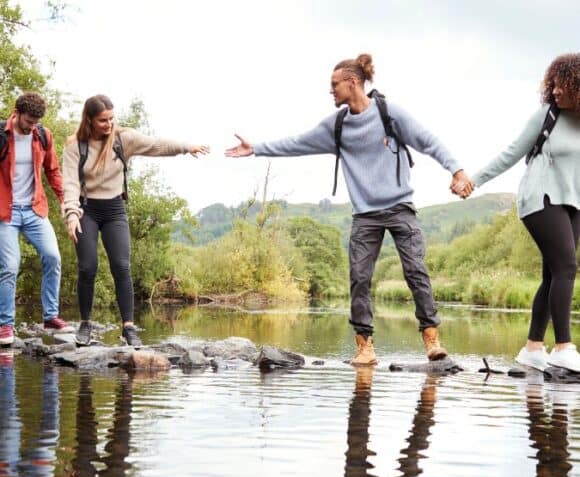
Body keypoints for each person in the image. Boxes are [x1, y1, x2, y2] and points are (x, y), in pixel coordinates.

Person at [226, 53, 472, 365]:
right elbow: (298, 143)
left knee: (416, 272)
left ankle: (431, 340)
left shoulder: (389, 114)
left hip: (400, 208)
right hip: (365, 214)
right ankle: (365, 347)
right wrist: (257, 149)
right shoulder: (337, 125)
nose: (331, 91)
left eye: (334, 85)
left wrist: (457, 170)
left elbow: (429, 141)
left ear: (352, 82)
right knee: (359, 278)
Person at [454, 53, 580, 373]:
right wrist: (474, 181)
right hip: (540, 198)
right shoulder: (546, 116)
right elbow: (511, 152)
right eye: (552, 85)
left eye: (562, 86)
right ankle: (564, 347)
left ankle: (532, 348)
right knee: (567, 266)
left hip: (573, 202)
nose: (554, 91)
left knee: (553, 273)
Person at [62, 95, 209, 347]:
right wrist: (72, 215)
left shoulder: (123, 139)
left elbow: (156, 145)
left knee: (121, 266)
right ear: (89, 120)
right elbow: (70, 184)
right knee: (88, 267)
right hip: (87, 209)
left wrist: (186, 147)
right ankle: (85, 324)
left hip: (114, 209)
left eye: (111, 119)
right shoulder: (75, 145)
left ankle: (128, 327)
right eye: (102, 120)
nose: (108, 124)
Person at [0, 92, 72, 346]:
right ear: (17, 113)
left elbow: (52, 170)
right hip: (5, 212)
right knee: (9, 266)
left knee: (53, 256)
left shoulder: (43, 136)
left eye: (35, 122)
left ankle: (50, 316)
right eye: (28, 121)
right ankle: (5, 325)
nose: (32, 126)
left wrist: (65, 199)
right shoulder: (2, 135)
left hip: (34, 209)